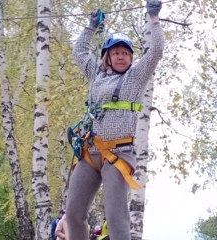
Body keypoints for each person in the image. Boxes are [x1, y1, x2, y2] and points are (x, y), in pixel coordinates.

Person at [66, 1, 164, 240]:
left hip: (119, 154)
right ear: (107, 57)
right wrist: (91, 27)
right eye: (117, 52)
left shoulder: (135, 77)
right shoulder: (95, 74)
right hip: (91, 152)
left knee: (115, 214)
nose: (122, 57)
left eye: (126, 53)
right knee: (73, 213)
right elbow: (79, 52)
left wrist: (154, 19)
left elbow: (156, 52)